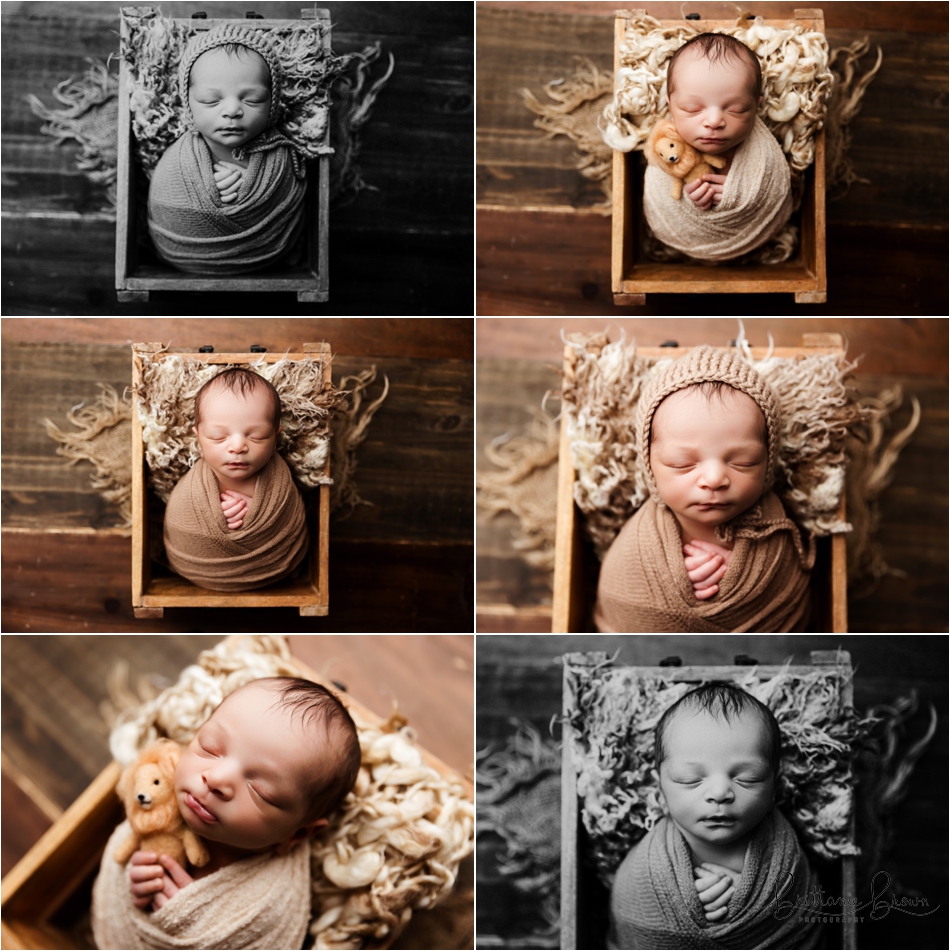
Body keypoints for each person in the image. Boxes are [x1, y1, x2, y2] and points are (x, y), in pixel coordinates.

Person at [92, 677, 361, 948]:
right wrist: (137, 882)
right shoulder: (160, 797)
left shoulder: (268, 905)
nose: (217, 779)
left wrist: (194, 926)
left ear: (298, 833)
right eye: (209, 747)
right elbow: (126, 854)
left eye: (260, 791)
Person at [594, 346, 814, 632]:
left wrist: (740, 571)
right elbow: (618, 595)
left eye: (743, 462)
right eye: (682, 463)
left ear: (768, 462)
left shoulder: (774, 526)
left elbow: (792, 586)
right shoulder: (639, 543)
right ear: (650, 466)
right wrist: (670, 576)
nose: (713, 479)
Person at [609, 682, 822, 949]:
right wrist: (679, 902)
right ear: (660, 788)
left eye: (748, 778)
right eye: (690, 780)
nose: (720, 793)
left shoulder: (784, 856)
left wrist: (753, 902)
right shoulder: (648, 867)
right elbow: (631, 913)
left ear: (774, 787)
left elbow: (806, 910)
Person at [147, 26, 307, 273]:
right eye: (210, 100)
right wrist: (202, 191)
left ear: (272, 103)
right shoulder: (178, 158)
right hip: (183, 255)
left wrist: (255, 187)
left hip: (268, 256)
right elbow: (163, 199)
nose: (232, 110)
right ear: (187, 103)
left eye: (252, 99)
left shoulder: (280, 154)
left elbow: (293, 192)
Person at [644, 33, 793, 261]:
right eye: (693, 108)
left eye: (736, 109)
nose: (714, 121)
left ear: (756, 107)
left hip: (754, 235)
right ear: (671, 106)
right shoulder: (665, 147)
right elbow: (661, 194)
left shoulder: (762, 154)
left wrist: (745, 195)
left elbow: (776, 187)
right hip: (685, 236)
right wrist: (689, 201)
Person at [162, 367, 309, 591]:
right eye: (218, 437)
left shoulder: (280, 483)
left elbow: (292, 516)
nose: (238, 447)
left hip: (275, 570)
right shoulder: (192, 488)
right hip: (198, 570)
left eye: (257, 436)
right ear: (199, 440)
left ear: (275, 440)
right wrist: (209, 515)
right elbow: (179, 520)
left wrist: (260, 514)